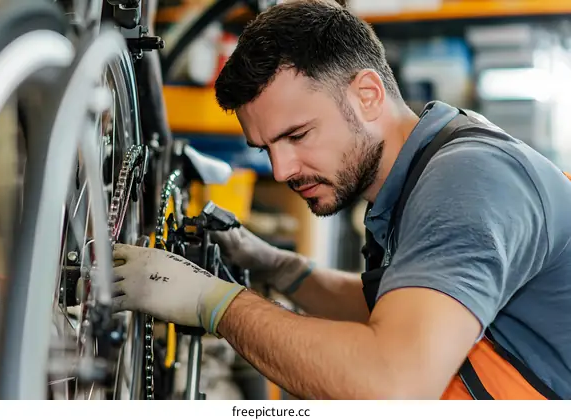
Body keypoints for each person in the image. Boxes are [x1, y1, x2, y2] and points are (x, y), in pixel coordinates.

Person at [111, 0, 571, 399]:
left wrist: (211, 303)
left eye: (297, 135)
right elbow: (403, 309)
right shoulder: (421, 174)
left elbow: (391, 383)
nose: (281, 170)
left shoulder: (468, 180)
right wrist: (280, 267)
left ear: (367, 95)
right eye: (267, 148)